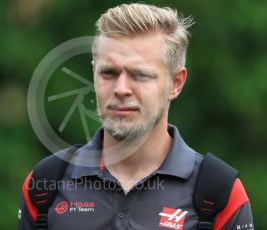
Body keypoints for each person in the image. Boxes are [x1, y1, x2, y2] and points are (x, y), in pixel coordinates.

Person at [19, 3, 254, 230]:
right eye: (109, 73)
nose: (121, 88)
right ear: (94, 74)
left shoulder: (219, 192)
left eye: (140, 75)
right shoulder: (45, 185)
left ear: (176, 83)